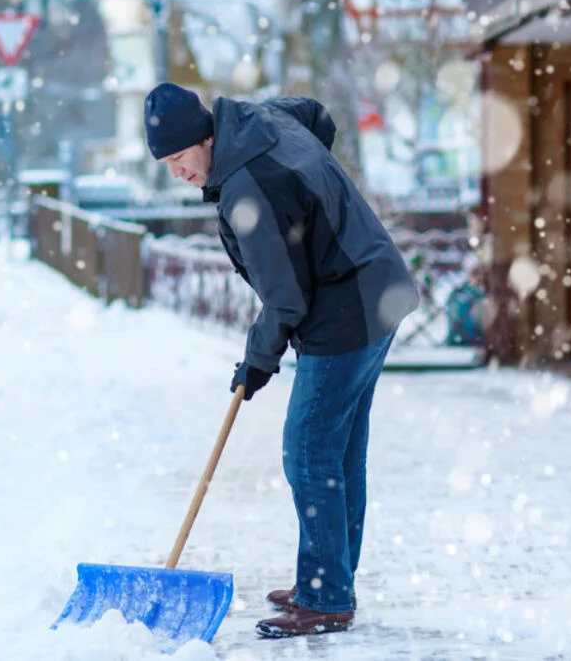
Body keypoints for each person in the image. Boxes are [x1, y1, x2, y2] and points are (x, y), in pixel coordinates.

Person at [143, 82, 420, 639]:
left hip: (346, 313)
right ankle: (330, 579)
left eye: (179, 158)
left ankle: (326, 597)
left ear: (205, 138)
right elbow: (315, 114)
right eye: (166, 164)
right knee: (338, 454)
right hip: (375, 290)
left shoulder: (250, 188)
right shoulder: (259, 123)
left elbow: (286, 298)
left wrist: (257, 361)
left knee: (309, 451)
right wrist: (317, 195)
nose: (176, 172)